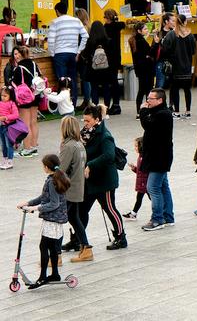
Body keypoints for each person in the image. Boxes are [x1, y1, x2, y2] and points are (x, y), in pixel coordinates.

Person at [16, 154, 70, 290]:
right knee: (51, 247)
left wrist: (34, 208)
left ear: (47, 167)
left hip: (52, 220)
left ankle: (42, 277)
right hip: (56, 219)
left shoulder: (52, 181)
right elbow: (44, 197)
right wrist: (28, 203)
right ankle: (55, 274)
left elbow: (53, 203)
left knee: (44, 247)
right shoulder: (56, 178)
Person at [80, 104, 127, 250]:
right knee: (81, 209)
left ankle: (121, 237)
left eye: (88, 121)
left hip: (105, 180)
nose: (85, 124)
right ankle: (78, 238)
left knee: (109, 208)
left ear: (96, 119)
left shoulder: (105, 136)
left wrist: (91, 165)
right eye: (84, 121)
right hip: (91, 180)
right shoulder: (86, 133)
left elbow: (109, 156)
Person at [139, 88, 174, 231]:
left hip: (159, 158)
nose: (147, 101)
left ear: (160, 100)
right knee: (163, 186)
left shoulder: (163, 114)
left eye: (150, 99)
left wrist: (142, 111)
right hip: (156, 156)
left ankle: (157, 219)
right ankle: (168, 216)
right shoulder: (158, 112)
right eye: (147, 98)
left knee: (152, 187)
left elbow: (147, 125)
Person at [58, 116, 91, 262]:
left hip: (68, 189)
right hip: (78, 186)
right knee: (74, 218)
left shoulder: (68, 146)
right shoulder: (79, 144)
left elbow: (61, 169)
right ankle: (86, 247)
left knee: (56, 220)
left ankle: (55, 254)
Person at [48, 1, 88, 106]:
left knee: (62, 80)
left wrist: (52, 53)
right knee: (72, 80)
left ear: (57, 11)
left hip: (60, 54)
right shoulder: (76, 21)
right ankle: (73, 103)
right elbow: (85, 36)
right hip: (73, 54)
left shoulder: (55, 22)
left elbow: (51, 40)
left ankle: (63, 105)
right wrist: (78, 51)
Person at [101, 9, 125, 114]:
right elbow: (122, 24)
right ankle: (116, 104)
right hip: (116, 57)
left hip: (108, 58)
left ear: (108, 18)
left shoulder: (106, 28)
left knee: (108, 82)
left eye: (105, 17)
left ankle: (108, 105)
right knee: (114, 81)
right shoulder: (118, 26)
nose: (104, 19)